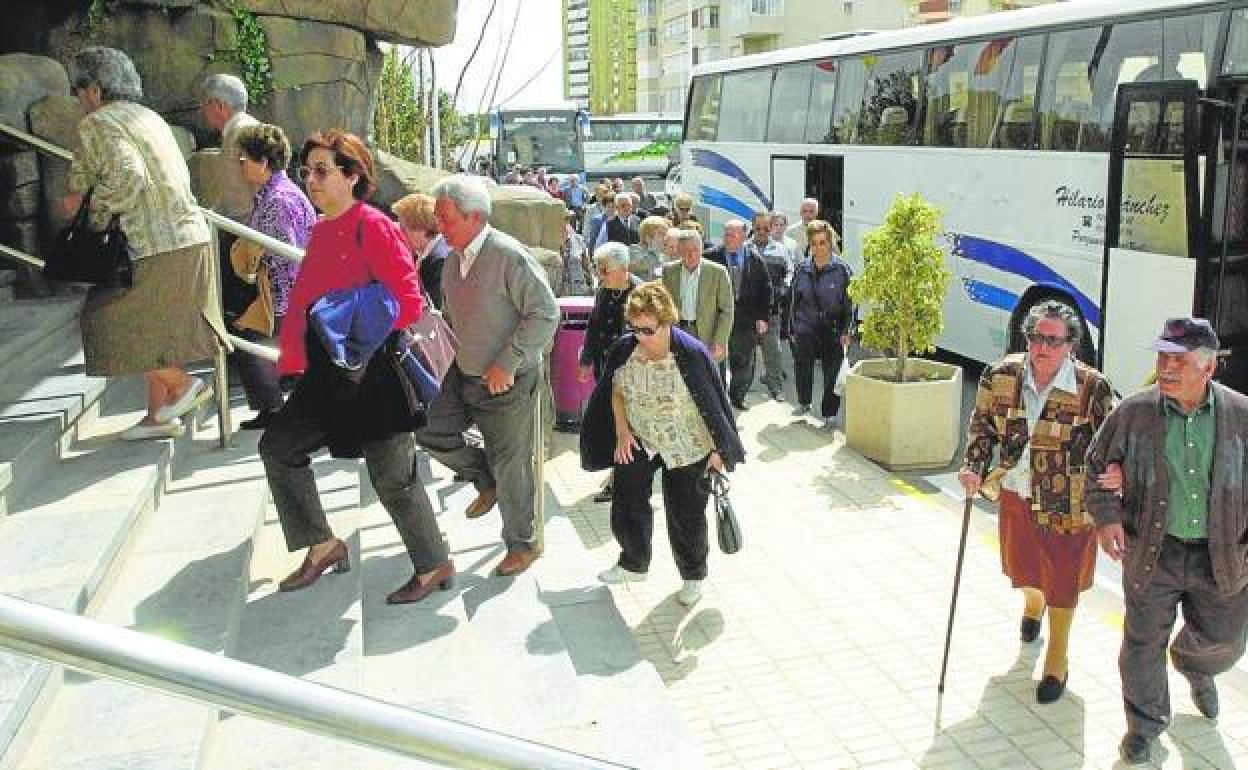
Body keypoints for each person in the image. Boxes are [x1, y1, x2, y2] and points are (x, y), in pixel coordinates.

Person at [258, 130, 451, 605]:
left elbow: (407, 301)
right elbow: (304, 301)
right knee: (279, 447)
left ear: (353, 176)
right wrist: (295, 361)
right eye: (307, 172)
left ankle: (433, 564)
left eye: (322, 171)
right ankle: (322, 546)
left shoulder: (375, 225)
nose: (312, 180)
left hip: (376, 376)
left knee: (393, 481)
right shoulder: (322, 229)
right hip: (329, 376)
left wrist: (348, 315)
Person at [1085, 317, 1248, 765]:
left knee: (1226, 639)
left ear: (1208, 368)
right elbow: (1097, 463)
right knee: (1141, 644)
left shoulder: (1242, 415)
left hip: (1223, 556)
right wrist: (1106, 518)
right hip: (1153, 551)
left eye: (1178, 360)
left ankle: (1196, 667)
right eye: (1162, 358)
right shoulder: (1135, 412)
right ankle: (1144, 725)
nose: (1166, 369)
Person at [64, 46, 227, 441]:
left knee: (102, 321)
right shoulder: (148, 117)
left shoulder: (99, 123)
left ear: (96, 90)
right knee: (155, 330)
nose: (77, 98)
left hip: (150, 244)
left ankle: (183, 385)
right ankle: (158, 416)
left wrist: (86, 209)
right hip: (188, 239)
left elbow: (127, 177)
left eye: (78, 88)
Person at [958, 300, 1115, 704]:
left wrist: (1117, 480)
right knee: (1023, 570)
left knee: (1063, 582)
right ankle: (1033, 604)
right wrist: (973, 466)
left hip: (1069, 503)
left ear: (1071, 346)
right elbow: (982, 428)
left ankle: (1056, 660)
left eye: (1052, 340)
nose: (1042, 347)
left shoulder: (1091, 386)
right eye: (1035, 338)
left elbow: (1113, 444)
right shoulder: (1001, 375)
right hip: (1016, 491)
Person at [415, 174, 559, 577]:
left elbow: (546, 314)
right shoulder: (450, 260)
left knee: (512, 461)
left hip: (507, 381)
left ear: (475, 218)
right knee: (428, 430)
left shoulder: (508, 256)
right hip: (462, 374)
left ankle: (522, 544)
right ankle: (484, 476)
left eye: (447, 219)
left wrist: (508, 362)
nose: (439, 228)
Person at [579, 281, 745, 607]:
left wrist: (718, 451)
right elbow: (616, 390)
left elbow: (715, 404)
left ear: (667, 321)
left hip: (688, 444)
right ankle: (634, 562)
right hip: (641, 438)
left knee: (685, 514)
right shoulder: (625, 349)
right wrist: (623, 432)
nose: (641, 336)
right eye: (635, 328)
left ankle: (693, 575)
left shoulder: (692, 354)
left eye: (648, 329)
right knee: (627, 497)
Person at [229, 122, 316, 431]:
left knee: (249, 340)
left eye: (244, 160)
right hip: (282, 291)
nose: (240, 167)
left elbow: (286, 252)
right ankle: (273, 405)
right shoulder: (275, 192)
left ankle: (273, 407)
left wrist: (254, 259)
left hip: (286, 294)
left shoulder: (279, 199)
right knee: (249, 339)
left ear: (262, 162)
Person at [198, 73, 260, 326]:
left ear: (219, 105)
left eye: (205, 103)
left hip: (247, 233)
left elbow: (260, 184)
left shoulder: (243, 131)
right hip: (239, 229)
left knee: (238, 307)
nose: (202, 110)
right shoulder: (236, 130)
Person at [786, 220, 853, 427]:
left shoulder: (842, 270)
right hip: (806, 327)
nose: (818, 247)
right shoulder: (802, 268)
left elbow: (850, 304)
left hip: (832, 330)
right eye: (813, 243)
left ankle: (829, 413)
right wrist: (791, 328)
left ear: (830, 242)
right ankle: (804, 403)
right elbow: (793, 301)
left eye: (822, 242)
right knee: (802, 366)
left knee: (831, 372)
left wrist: (847, 331)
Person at [705, 219, 772, 410]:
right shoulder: (711, 257)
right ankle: (718, 399)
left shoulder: (755, 259)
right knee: (716, 359)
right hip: (716, 319)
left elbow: (765, 290)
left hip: (745, 320)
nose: (728, 238)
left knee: (743, 361)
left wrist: (762, 317)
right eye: (726, 234)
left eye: (733, 235)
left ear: (744, 236)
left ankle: (737, 395)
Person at [661, 230, 733, 371]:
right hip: (679, 331)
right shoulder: (669, 271)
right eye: (686, 250)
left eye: (696, 250)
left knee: (708, 380)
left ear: (702, 249)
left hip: (707, 334)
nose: (691, 255)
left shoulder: (718, 272)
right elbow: (664, 304)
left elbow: (727, 310)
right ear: (679, 251)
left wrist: (720, 340)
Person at [753, 211, 793, 402]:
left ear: (771, 228)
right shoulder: (744, 248)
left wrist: (784, 289)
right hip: (747, 310)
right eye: (758, 228)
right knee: (742, 351)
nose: (762, 231)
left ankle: (775, 387)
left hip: (771, 309)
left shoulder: (780, 249)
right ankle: (739, 391)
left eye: (765, 228)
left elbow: (789, 273)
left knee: (773, 350)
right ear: (752, 227)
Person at [391, 192, 449, 311]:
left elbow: (433, 311)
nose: (398, 232)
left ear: (421, 230)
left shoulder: (440, 261)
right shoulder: (430, 250)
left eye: (403, 228)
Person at [558, 210, 595, 296]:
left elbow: (586, 266)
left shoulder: (578, 240)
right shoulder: (548, 241)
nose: (565, 223)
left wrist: (591, 287)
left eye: (567, 219)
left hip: (578, 292)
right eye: (563, 220)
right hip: (558, 294)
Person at [629, 215, 669, 282]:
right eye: (660, 234)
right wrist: (653, 249)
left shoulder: (662, 253)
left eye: (665, 234)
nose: (664, 238)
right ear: (648, 237)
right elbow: (641, 265)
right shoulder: (633, 250)